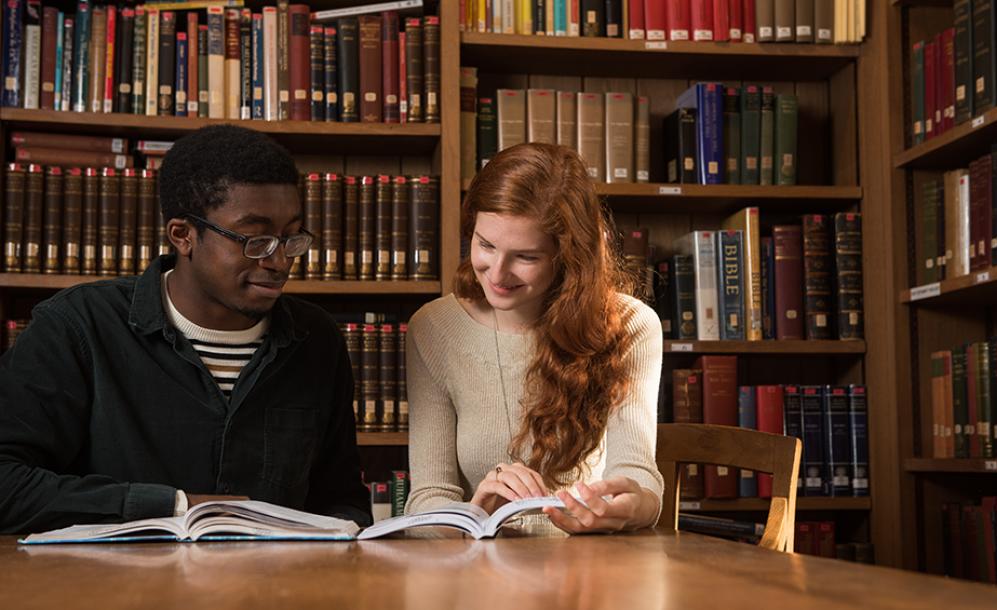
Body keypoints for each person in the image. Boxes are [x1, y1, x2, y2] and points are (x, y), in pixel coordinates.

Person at [0, 125, 372, 534]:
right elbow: (6, 485)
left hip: (273, 590)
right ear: (183, 235)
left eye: (290, 238)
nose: (280, 260)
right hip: (112, 590)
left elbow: (341, 499)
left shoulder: (317, 340)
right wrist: (177, 506)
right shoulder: (78, 326)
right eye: (255, 239)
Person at [405, 143, 664, 534]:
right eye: (485, 245)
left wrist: (626, 506)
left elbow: (639, 478)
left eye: (525, 257)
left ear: (570, 258)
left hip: (589, 576)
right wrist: (471, 514)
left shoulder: (632, 326)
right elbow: (425, 501)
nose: (496, 273)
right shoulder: (434, 328)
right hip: (479, 577)